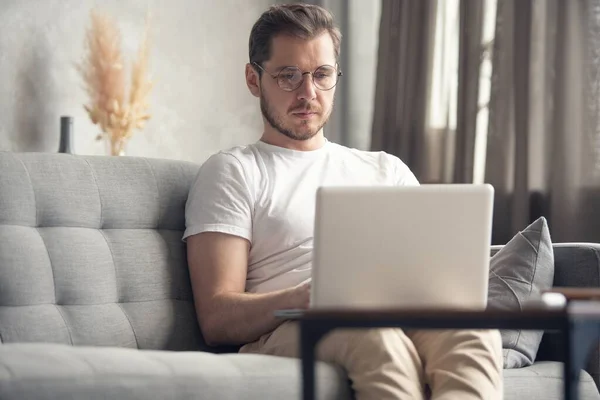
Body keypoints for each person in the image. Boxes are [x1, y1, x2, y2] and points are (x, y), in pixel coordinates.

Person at [183, 3, 503, 399]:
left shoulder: (387, 170)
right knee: (375, 337)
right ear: (254, 79)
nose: (308, 93)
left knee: (472, 330)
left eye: (322, 75)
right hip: (285, 330)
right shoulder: (233, 171)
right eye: (288, 76)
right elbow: (216, 317)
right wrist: (303, 298)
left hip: (394, 312)